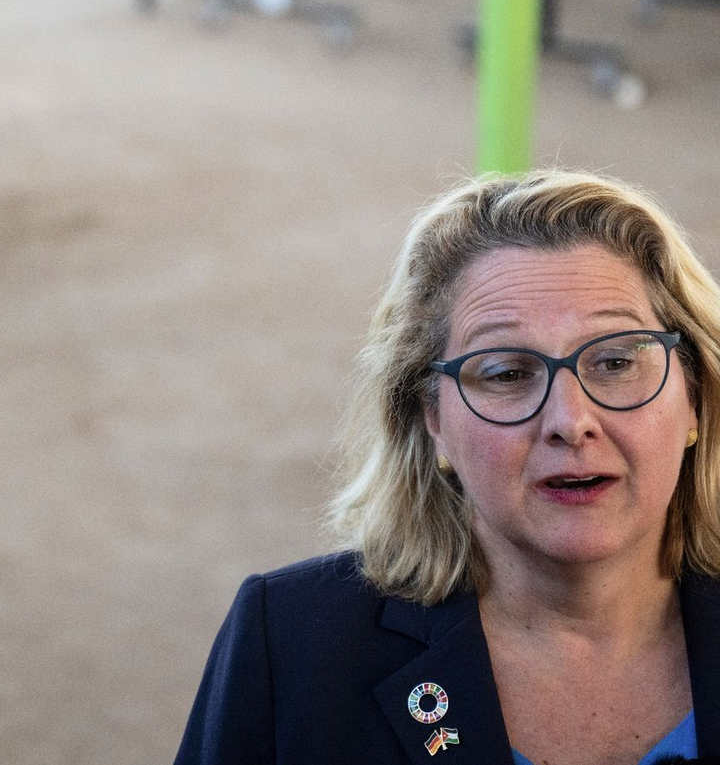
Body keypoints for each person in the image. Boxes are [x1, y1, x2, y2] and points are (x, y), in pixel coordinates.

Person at [175, 170, 720, 764]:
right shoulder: (288, 642)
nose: (570, 420)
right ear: (432, 421)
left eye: (615, 362)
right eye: (507, 374)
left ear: (694, 395)